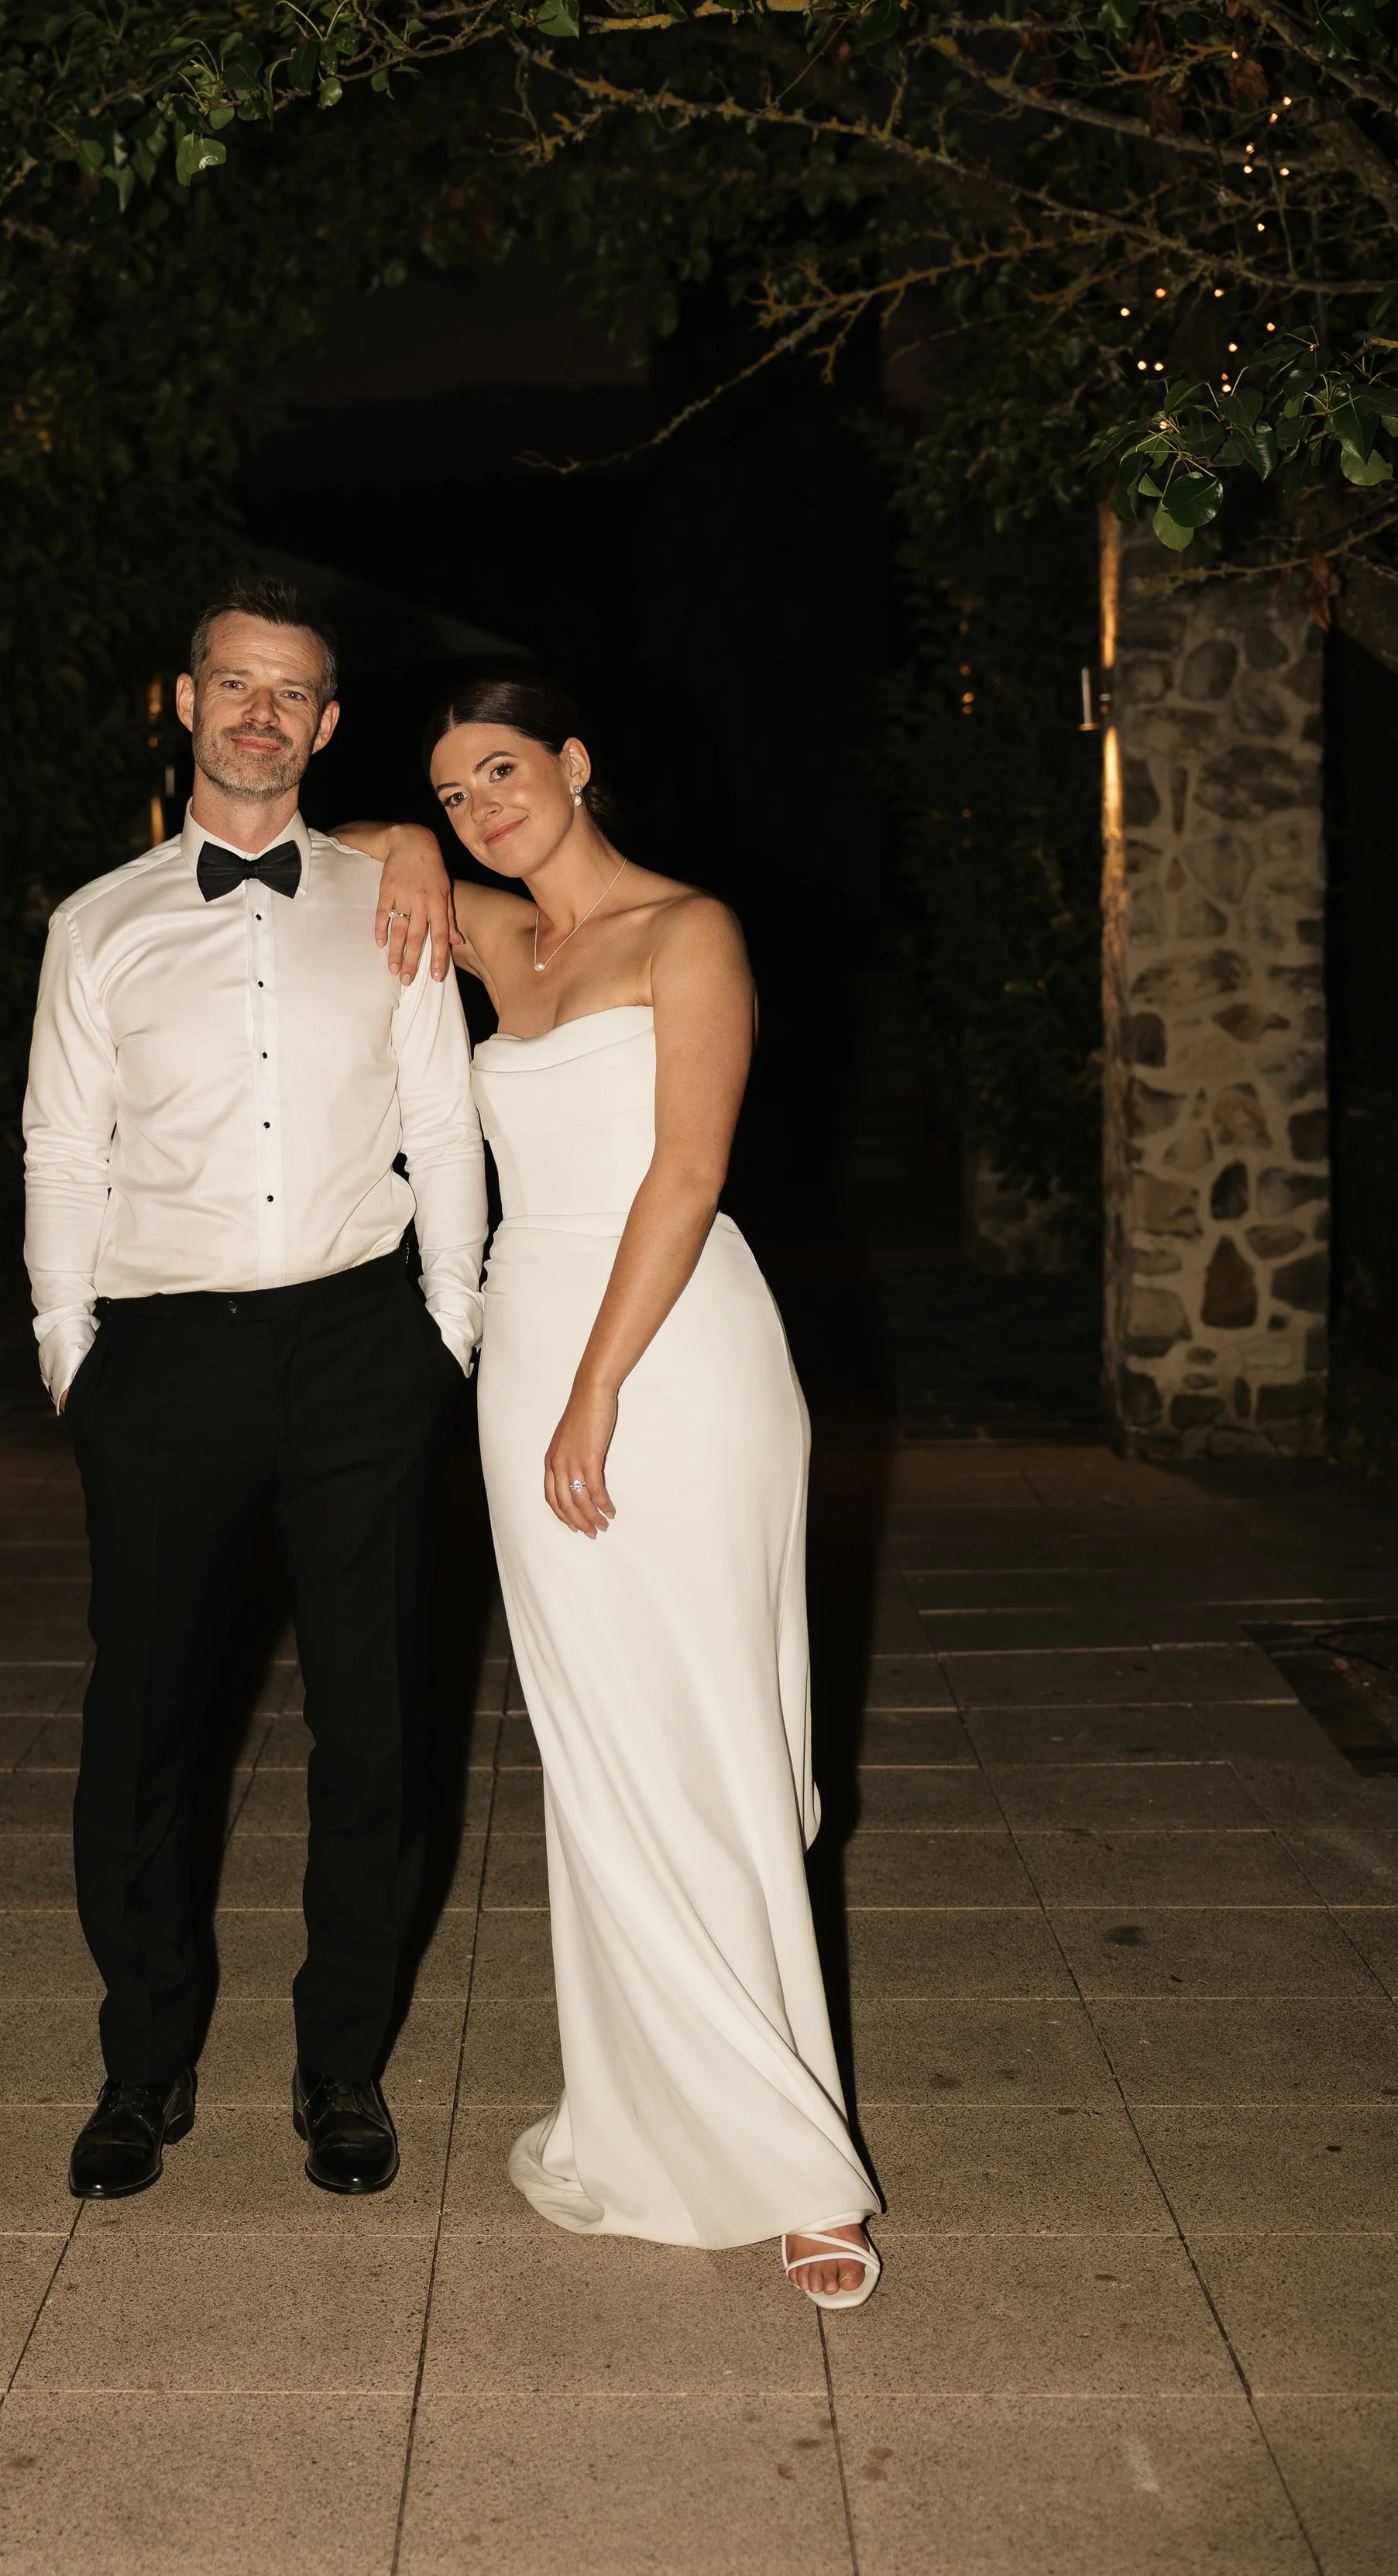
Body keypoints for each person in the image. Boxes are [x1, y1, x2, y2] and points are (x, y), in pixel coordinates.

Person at [343, 675, 879, 2306]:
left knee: (709, 1734)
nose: (481, 805)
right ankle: (648, 2118)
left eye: (502, 770)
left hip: (673, 1356)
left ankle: (801, 2167)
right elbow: (325, 835)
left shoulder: (682, 932)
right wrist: (403, 849)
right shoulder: (503, 938)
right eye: (454, 794)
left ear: (573, 764)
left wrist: (597, 1387)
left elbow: (689, 1168)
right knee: (592, 1749)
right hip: (529, 1355)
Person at [22, 581, 486, 2204]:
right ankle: (143, 2065)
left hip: (365, 1354)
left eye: (291, 693)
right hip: (165, 1356)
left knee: (374, 1728)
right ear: (186, 697)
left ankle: (340, 2066)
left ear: (328, 723)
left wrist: (449, 1332)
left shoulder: (388, 899)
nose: (259, 715)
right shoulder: (97, 924)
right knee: (141, 1732)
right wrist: (73, 1354)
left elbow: (447, 1118)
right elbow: (61, 1147)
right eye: (235, 683)